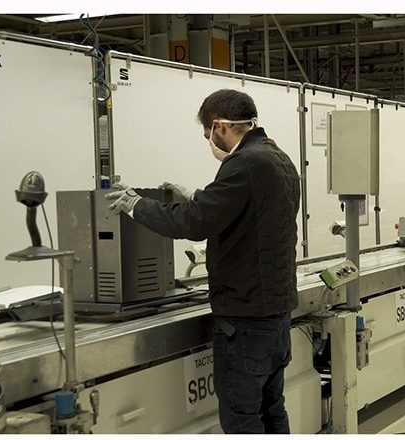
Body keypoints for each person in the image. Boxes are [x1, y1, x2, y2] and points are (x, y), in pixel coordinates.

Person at [105, 89, 301, 434]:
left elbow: (195, 224)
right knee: (271, 408)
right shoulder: (278, 159)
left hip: (246, 319)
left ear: (220, 125)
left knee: (242, 417)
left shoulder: (244, 163)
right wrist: (196, 195)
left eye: (208, 132)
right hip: (276, 314)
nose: (208, 140)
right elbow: (245, 211)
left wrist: (137, 206)